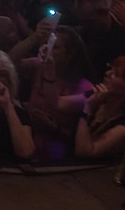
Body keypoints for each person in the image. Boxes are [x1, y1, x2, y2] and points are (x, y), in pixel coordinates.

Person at [22, 26, 95, 161]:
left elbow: (75, 137)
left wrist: (52, 128)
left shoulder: (85, 88)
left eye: (55, 47)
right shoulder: (39, 67)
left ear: (70, 53)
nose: (49, 50)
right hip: (30, 150)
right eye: (48, 45)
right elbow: (11, 63)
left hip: (60, 158)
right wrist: (34, 38)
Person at [74, 56, 125, 159]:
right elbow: (58, 104)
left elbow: (84, 152)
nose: (107, 73)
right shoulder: (98, 99)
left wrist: (87, 109)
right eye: (110, 69)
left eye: (115, 74)